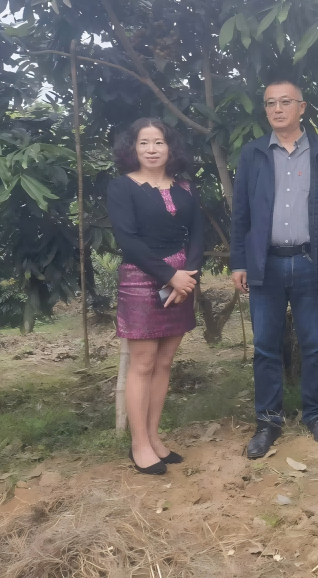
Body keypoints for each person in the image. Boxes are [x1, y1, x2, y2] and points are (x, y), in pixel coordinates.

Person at [231, 79, 318, 458]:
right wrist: (239, 261)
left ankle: (316, 414)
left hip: (311, 262)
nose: (277, 109)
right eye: (271, 103)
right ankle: (268, 421)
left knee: (315, 345)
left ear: (302, 107)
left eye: (285, 102)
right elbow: (241, 212)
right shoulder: (253, 154)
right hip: (266, 264)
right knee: (265, 347)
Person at [108, 118, 204, 475]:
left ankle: (153, 437)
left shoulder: (186, 187)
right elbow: (127, 240)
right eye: (144, 143)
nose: (151, 149)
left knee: (164, 363)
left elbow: (198, 234)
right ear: (133, 148)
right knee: (144, 363)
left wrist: (187, 276)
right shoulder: (122, 186)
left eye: (159, 142)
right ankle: (139, 445)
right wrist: (169, 276)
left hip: (182, 282)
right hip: (141, 279)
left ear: (169, 147)